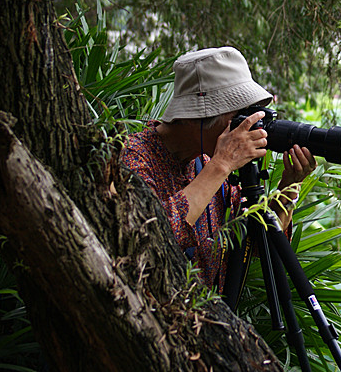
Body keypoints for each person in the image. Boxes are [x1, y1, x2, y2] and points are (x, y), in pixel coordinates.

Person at [121, 47, 316, 291]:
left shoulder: (208, 162)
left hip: (206, 324)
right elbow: (144, 239)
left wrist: (288, 189)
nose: (247, 127)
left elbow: (254, 245)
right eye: (239, 116)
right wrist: (222, 164)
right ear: (197, 116)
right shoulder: (133, 156)